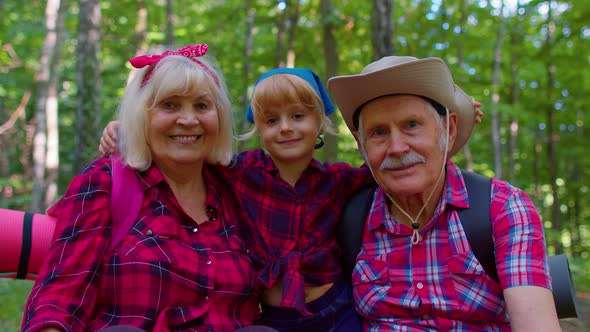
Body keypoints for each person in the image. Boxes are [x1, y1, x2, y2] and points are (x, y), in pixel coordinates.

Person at [98, 67, 484, 332]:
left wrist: (455, 126)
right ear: (258, 130)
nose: (286, 128)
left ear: (320, 123)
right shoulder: (237, 172)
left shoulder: (338, 180)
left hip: (335, 308)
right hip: (276, 316)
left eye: (298, 116)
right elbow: (181, 150)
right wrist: (127, 132)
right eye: (272, 120)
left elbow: (401, 163)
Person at [21, 44, 266, 332]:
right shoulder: (107, 181)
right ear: (142, 115)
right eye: (169, 105)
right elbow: (60, 294)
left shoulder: (238, 187)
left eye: (201, 105)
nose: (188, 120)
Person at [326, 55, 561, 331]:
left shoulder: (503, 207)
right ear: (361, 145)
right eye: (378, 132)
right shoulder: (347, 217)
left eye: (411, 125)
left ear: (448, 129)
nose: (397, 147)